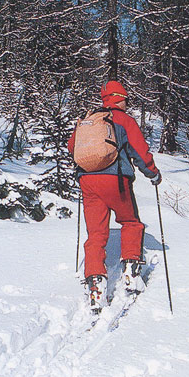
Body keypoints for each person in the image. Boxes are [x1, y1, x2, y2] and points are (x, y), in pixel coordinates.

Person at [68, 80, 161, 310]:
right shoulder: (124, 120)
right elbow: (139, 151)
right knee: (130, 222)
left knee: (96, 234)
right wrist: (153, 174)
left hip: (87, 181)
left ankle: (95, 287)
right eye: (126, 99)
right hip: (116, 180)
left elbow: (72, 147)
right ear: (120, 98)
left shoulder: (90, 118)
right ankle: (131, 272)